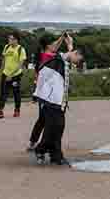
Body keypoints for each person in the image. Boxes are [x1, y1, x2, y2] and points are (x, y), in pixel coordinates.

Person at [33, 34, 84, 166]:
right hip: (50, 101)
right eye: (78, 59)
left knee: (58, 128)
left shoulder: (65, 61)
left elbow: (68, 57)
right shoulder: (56, 59)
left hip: (58, 102)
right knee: (53, 128)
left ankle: (55, 155)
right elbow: (62, 55)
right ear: (75, 54)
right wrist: (66, 43)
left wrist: (70, 45)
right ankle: (42, 150)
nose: (77, 63)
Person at [27, 33, 65, 151]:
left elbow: (55, 47)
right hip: (46, 92)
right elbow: (56, 50)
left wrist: (62, 38)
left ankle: (36, 142)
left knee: (43, 118)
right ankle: (40, 144)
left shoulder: (47, 53)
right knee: (46, 119)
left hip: (49, 91)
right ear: (48, 46)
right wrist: (66, 44)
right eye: (53, 43)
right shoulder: (47, 56)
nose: (56, 45)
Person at [0, 34, 27, 119]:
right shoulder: (7, 47)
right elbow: (4, 59)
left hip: (16, 75)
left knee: (16, 93)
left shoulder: (20, 49)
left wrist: (11, 75)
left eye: (11, 39)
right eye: (9, 39)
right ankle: (0, 111)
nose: (9, 40)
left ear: (16, 40)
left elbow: (20, 64)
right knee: (3, 92)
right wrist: (2, 70)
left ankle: (17, 110)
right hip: (5, 73)